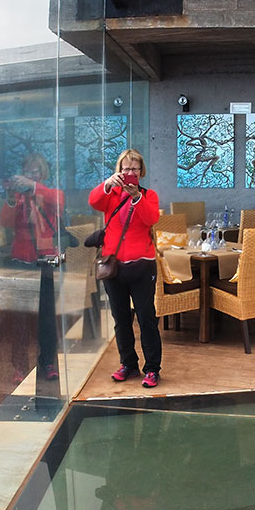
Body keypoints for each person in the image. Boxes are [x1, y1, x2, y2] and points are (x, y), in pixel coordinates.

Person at [88, 148, 162, 388]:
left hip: (142, 266)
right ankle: (128, 364)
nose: (130, 172)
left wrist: (136, 197)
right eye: (126, 168)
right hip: (114, 267)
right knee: (120, 318)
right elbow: (94, 201)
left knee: (146, 317)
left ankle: (152, 369)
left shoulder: (148, 195)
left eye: (134, 168)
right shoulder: (111, 194)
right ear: (119, 170)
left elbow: (151, 219)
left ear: (141, 172)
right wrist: (107, 184)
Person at [0, 153, 66, 386]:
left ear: (43, 173)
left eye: (36, 171)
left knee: (47, 319)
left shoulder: (50, 193)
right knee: (21, 318)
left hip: (45, 260)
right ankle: (20, 364)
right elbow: (5, 222)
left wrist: (33, 186)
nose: (32, 175)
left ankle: (48, 362)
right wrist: (10, 197)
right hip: (21, 259)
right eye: (28, 171)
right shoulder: (18, 198)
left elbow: (58, 202)